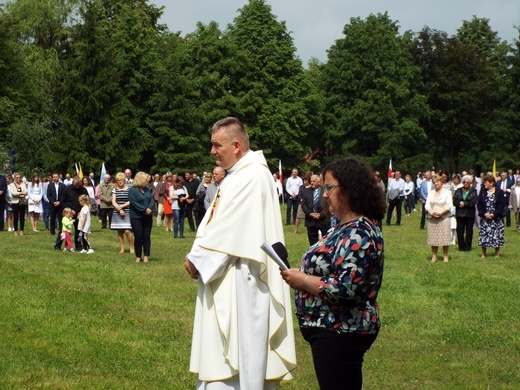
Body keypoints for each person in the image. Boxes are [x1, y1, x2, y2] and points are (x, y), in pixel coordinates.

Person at [184, 117, 296, 388]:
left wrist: (198, 259)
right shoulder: (239, 174)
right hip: (230, 275)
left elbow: (230, 229)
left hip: (243, 280)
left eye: (216, 145)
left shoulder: (252, 176)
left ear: (236, 145)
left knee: (240, 354)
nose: (212, 151)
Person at [281, 157, 385, 390]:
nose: (325, 194)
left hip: (341, 331)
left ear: (350, 190)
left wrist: (304, 280)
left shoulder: (360, 232)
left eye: (329, 187)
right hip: (332, 330)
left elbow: (345, 287)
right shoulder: (343, 227)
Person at [425, 176, 453, 262]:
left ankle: (445, 256)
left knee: (445, 237)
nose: (435, 184)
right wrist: (431, 212)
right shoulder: (431, 192)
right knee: (433, 238)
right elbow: (427, 204)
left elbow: (449, 205)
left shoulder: (447, 192)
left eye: (437, 182)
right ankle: (434, 256)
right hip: (432, 217)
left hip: (444, 217)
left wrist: (441, 213)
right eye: (434, 182)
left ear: (442, 183)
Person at [477, 174, 507, 258]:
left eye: (486, 182)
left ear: (492, 183)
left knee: (497, 234)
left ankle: (497, 253)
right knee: (484, 234)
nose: (484, 184)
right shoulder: (482, 192)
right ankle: (483, 253)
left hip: (496, 217)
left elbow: (501, 204)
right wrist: (484, 214)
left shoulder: (499, 192)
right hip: (485, 217)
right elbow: (479, 204)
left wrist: (494, 214)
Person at [128, 171, 154, 263]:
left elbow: (151, 199)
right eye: (145, 179)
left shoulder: (146, 189)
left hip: (147, 217)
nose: (147, 181)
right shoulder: (132, 190)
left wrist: (150, 208)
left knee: (146, 236)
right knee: (138, 236)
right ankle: (138, 256)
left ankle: (146, 255)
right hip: (136, 217)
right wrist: (144, 210)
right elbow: (134, 203)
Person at [301, 174, 330, 245]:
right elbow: (303, 205)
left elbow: (329, 205)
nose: (311, 183)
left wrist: (321, 214)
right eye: (311, 181)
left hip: (323, 220)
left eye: (314, 181)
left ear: (319, 182)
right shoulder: (306, 191)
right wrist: (310, 213)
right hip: (311, 221)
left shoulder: (325, 191)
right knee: (313, 243)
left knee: (326, 242)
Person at [62, 176, 88, 251]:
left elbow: (87, 201)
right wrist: (69, 211)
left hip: (79, 213)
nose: (77, 187)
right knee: (65, 230)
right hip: (68, 214)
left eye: (78, 186)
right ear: (72, 182)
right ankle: (61, 246)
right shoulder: (67, 189)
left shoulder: (83, 189)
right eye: (75, 185)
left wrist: (81, 211)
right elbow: (62, 202)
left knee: (79, 230)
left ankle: (79, 246)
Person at [111, 172, 134, 254]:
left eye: (121, 180)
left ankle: (132, 247)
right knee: (120, 231)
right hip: (117, 212)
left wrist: (122, 207)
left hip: (127, 211)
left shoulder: (129, 189)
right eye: (118, 180)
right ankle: (122, 248)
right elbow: (113, 201)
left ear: (124, 180)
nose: (120, 181)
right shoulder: (114, 190)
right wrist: (119, 209)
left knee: (127, 231)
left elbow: (131, 201)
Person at [453, 175, 478, 251]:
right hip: (460, 213)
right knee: (460, 231)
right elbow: (454, 201)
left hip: (469, 213)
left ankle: (467, 247)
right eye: (464, 182)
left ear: (470, 183)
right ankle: (461, 247)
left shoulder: (473, 191)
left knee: (469, 231)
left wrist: (465, 204)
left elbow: (473, 201)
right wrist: (459, 203)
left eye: (467, 182)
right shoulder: (458, 190)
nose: (466, 183)